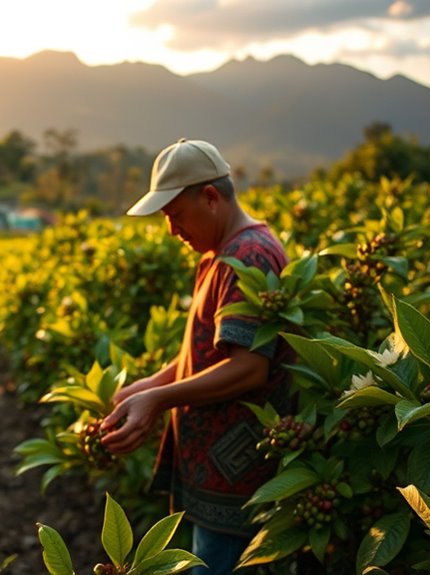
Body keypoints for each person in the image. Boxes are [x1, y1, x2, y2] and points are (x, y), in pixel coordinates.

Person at [100, 138, 294, 575]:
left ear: (210, 197)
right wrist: (152, 384)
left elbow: (249, 368)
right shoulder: (219, 254)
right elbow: (208, 353)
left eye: (175, 215)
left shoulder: (250, 256)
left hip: (236, 476)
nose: (172, 230)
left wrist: (158, 401)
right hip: (216, 470)